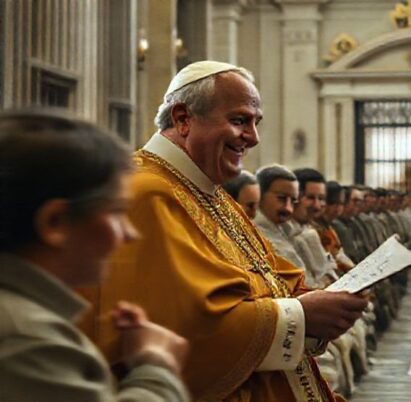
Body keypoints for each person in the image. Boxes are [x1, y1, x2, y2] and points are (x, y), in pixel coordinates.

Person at [83, 60, 367, 402]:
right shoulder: (145, 193)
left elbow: (274, 278)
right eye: (239, 120)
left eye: (255, 123)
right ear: (183, 119)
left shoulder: (211, 192)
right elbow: (176, 330)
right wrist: (302, 315)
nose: (253, 137)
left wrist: (330, 300)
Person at [0, 110, 188, 401]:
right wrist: (156, 366)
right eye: (116, 212)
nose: (130, 234)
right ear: (55, 223)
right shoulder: (25, 339)